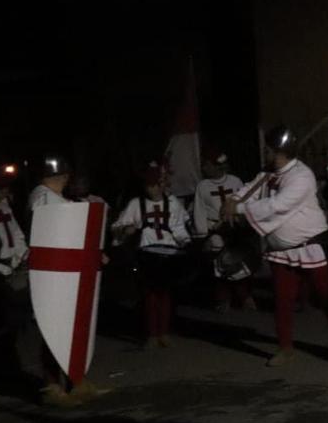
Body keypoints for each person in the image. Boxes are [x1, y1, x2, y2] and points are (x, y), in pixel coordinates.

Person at [223, 126, 328, 367]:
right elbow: (250, 188)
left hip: (309, 248)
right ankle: (285, 347)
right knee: (282, 300)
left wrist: (237, 209)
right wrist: (234, 199)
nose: (264, 153)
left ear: (278, 151)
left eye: (268, 150)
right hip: (281, 252)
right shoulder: (269, 173)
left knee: (327, 297)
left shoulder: (302, 176)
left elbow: (277, 205)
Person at [26, 154, 111, 405]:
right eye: (65, 176)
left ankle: (77, 381)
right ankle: (52, 387)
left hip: (68, 273)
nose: (68, 180)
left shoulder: (57, 198)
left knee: (70, 326)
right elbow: (48, 236)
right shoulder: (42, 198)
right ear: (60, 176)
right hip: (54, 276)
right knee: (53, 327)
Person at [113, 162, 191, 347]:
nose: (152, 189)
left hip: (167, 254)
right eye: (148, 185)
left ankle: (164, 332)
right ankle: (152, 334)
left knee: (164, 294)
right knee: (149, 295)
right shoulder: (136, 204)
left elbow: (179, 228)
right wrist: (126, 230)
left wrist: (185, 242)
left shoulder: (172, 204)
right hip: (146, 254)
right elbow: (117, 227)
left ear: (162, 184)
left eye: (155, 185)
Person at [0, 160, 30, 392]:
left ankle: (6, 370)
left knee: (10, 328)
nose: (7, 192)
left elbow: (16, 234)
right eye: (3, 188)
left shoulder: (5, 208)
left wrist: (24, 255)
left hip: (11, 273)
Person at [193, 147, 254, 313]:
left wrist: (243, 222)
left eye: (206, 164)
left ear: (215, 165)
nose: (204, 168)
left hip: (234, 227)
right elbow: (199, 210)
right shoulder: (202, 186)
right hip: (215, 229)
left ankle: (245, 296)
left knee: (239, 262)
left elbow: (244, 202)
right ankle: (223, 299)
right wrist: (202, 234)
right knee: (218, 266)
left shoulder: (235, 181)